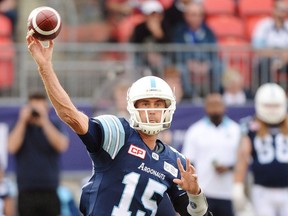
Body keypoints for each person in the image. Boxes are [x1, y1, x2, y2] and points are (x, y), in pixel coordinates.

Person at [26, 33, 213, 216]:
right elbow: (70, 115)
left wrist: (195, 194)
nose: (152, 110)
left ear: (168, 109)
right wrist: (45, 66)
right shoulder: (118, 134)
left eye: (158, 104)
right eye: (145, 104)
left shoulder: (174, 160)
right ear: (133, 107)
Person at [8, 92, 69, 216]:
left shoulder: (54, 124)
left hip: (50, 189)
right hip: (26, 190)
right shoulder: (19, 125)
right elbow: (11, 147)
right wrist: (22, 121)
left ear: (47, 109)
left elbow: (62, 145)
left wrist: (44, 121)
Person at [233, 83, 288, 216]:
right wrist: (238, 185)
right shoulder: (250, 126)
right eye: (269, 106)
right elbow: (243, 157)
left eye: (275, 106)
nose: (272, 110)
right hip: (262, 190)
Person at [182, 93, 241, 216]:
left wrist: (228, 168)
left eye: (218, 105)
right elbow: (188, 160)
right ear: (205, 108)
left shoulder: (236, 130)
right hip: (204, 192)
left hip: (227, 193)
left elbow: (244, 160)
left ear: (225, 107)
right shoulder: (195, 131)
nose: (215, 109)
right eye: (211, 105)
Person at [172, 2, 222, 98]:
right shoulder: (179, 31)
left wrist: (207, 64)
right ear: (186, 16)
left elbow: (214, 51)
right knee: (180, 68)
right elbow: (176, 52)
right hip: (186, 63)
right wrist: (189, 63)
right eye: (193, 15)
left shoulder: (208, 31)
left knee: (219, 65)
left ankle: (215, 94)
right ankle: (189, 96)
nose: (197, 18)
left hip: (205, 63)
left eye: (199, 15)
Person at [252, 0, 288, 84]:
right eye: (280, 9)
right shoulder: (263, 25)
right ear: (273, 10)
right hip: (268, 60)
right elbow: (257, 48)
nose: (283, 12)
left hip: (285, 60)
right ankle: (268, 91)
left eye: (284, 10)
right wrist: (275, 54)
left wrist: (284, 58)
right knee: (264, 63)